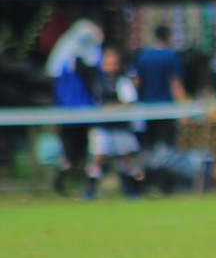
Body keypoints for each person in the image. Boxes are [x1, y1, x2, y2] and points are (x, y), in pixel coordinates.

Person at [46, 19, 102, 195]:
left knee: (83, 147)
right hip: (72, 112)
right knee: (74, 147)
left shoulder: (73, 57)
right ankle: (68, 181)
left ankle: (78, 182)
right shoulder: (67, 59)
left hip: (82, 111)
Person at [82, 47, 143, 200]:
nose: (109, 66)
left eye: (113, 63)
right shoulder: (98, 82)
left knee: (125, 158)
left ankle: (131, 189)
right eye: (107, 63)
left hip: (120, 127)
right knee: (98, 157)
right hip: (103, 126)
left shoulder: (123, 81)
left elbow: (129, 102)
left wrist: (111, 109)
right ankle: (90, 190)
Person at [133, 24, 187, 193]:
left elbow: (137, 82)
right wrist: (182, 109)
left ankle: (147, 182)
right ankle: (163, 183)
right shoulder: (171, 56)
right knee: (165, 147)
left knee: (148, 147)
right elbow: (175, 83)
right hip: (166, 109)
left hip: (147, 109)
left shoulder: (143, 56)